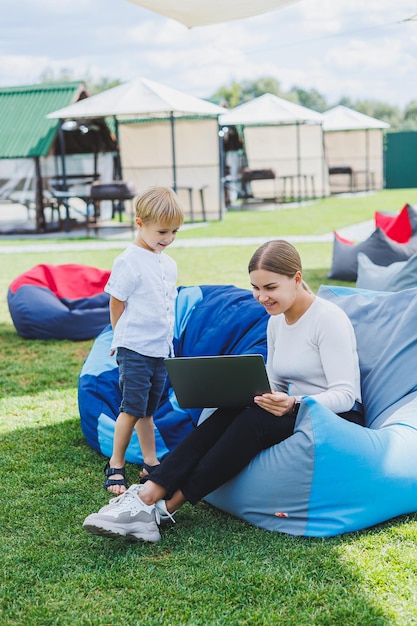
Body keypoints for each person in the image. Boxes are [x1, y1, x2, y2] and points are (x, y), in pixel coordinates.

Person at [83, 239, 363, 541]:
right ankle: (148, 494)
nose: (261, 297)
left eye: (270, 288)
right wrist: (259, 392)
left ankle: (164, 508)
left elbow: (346, 394)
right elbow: (278, 381)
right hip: (292, 407)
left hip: (336, 417)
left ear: (296, 278)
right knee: (232, 409)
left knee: (253, 421)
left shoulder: (328, 319)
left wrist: (294, 402)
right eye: (255, 287)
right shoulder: (277, 321)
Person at [102, 186, 184, 495]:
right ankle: (116, 464)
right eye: (162, 231)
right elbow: (117, 301)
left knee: (148, 410)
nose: (169, 238)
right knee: (132, 408)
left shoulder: (167, 262)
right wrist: (119, 336)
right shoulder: (129, 260)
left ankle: (150, 462)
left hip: (158, 349)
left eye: (175, 231)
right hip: (135, 347)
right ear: (140, 223)